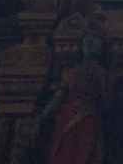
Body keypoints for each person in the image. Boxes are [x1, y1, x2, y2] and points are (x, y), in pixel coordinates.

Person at [41, 27, 108, 164]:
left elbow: (106, 99)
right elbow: (58, 98)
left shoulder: (103, 75)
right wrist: (42, 116)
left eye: (95, 40)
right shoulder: (71, 73)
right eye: (87, 40)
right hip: (68, 118)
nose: (90, 44)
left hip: (89, 121)